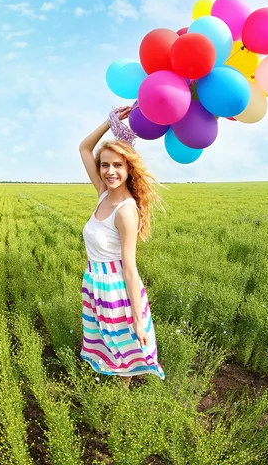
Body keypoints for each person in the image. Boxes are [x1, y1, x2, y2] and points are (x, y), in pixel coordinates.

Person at [79, 106, 165, 388]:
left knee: (123, 345)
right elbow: (84, 148)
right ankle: (116, 391)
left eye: (118, 165)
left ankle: (122, 399)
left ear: (129, 169)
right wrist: (110, 121)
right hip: (95, 282)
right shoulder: (103, 194)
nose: (110, 171)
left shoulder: (126, 211)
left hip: (116, 288)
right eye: (105, 164)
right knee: (106, 342)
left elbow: (130, 269)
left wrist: (138, 320)